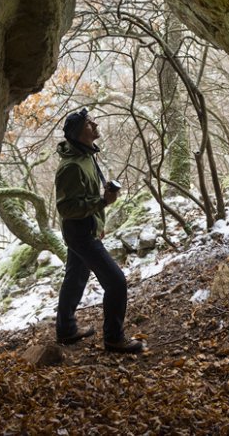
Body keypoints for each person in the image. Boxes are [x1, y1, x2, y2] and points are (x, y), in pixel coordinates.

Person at [54, 108, 144, 354]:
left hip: (85, 229)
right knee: (116, 282)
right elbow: (66, 208)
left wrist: (99, 220)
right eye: (88, 123)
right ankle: (114, 339)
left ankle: (66, 330)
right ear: (78, 133)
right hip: (80, 232)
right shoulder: (71, 166)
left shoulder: (86, 156)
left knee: (75, 278)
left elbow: (84, 195)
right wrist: (102, 202)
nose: (94, 124)